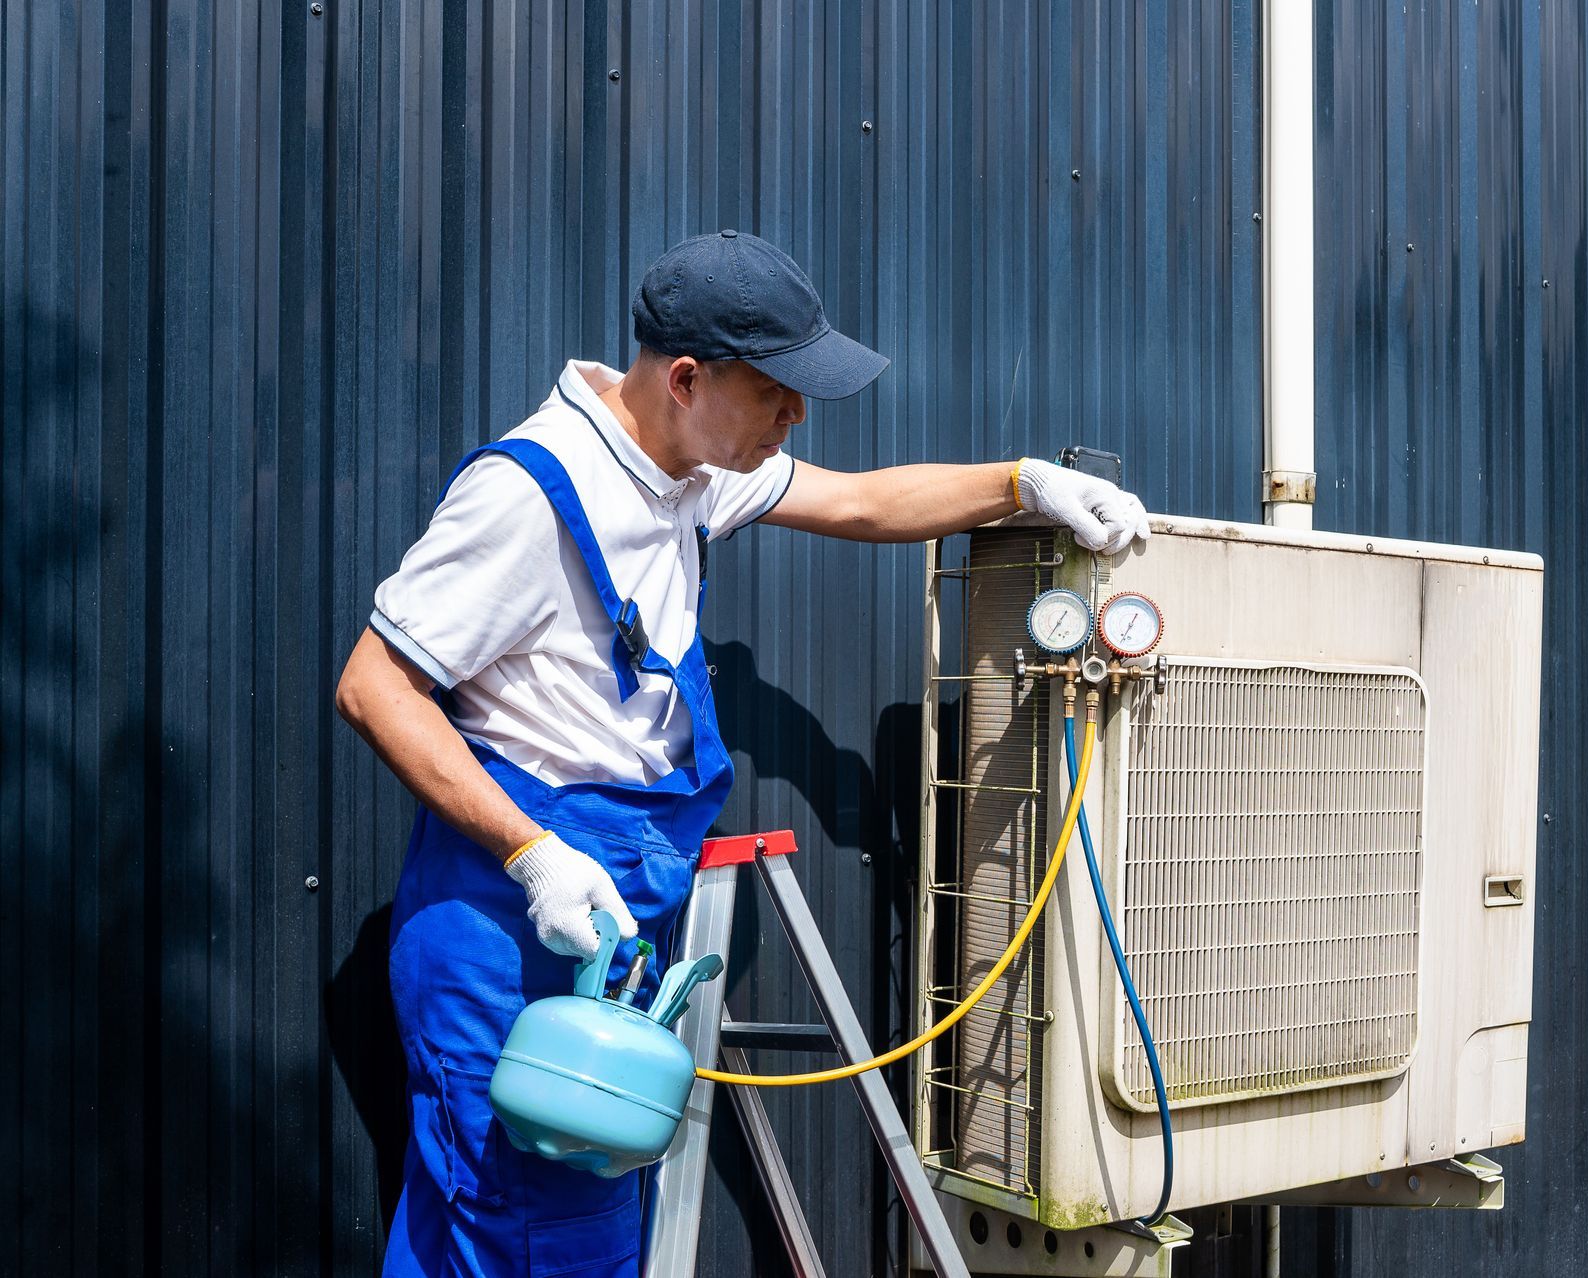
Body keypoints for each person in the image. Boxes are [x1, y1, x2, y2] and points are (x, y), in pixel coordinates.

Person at [334, 230, 1150, 1276]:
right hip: (506, 919)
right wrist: (531, 852)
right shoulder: (531, 494)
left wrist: (1022, 483)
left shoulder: (688, 468)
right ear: (687, 378)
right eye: (779, 391)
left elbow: (859, 500)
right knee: (522, 1226)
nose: (796, 415)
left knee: (536, 1221)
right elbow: (375, 686)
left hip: (604, 905)